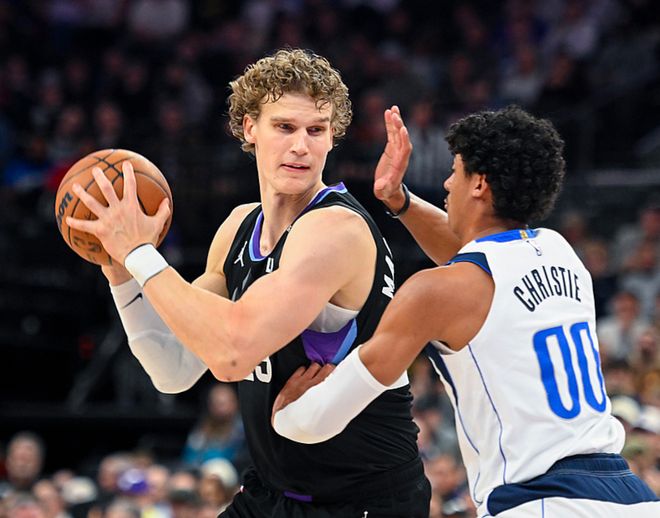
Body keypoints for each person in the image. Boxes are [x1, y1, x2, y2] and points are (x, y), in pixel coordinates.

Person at [66, 48, 430, 516]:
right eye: (285, 127)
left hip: (363, 499)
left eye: (316, 130)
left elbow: (232, 353)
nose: (301, 146)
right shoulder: (239, 227)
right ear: (249, 128)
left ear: (332, 137)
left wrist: (139, 253)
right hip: (273, 490)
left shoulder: (335, 230)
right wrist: (119, 269)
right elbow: (173, 369)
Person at [272, 105, 660, 516]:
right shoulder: (560, 252)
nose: (446, 182)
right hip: (631, 497)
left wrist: (285, 416)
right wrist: (399, 200)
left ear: (479, 184)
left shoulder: (435, 291)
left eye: (455, 171)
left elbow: (323, 418)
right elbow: (474, 255)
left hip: (543, 501)